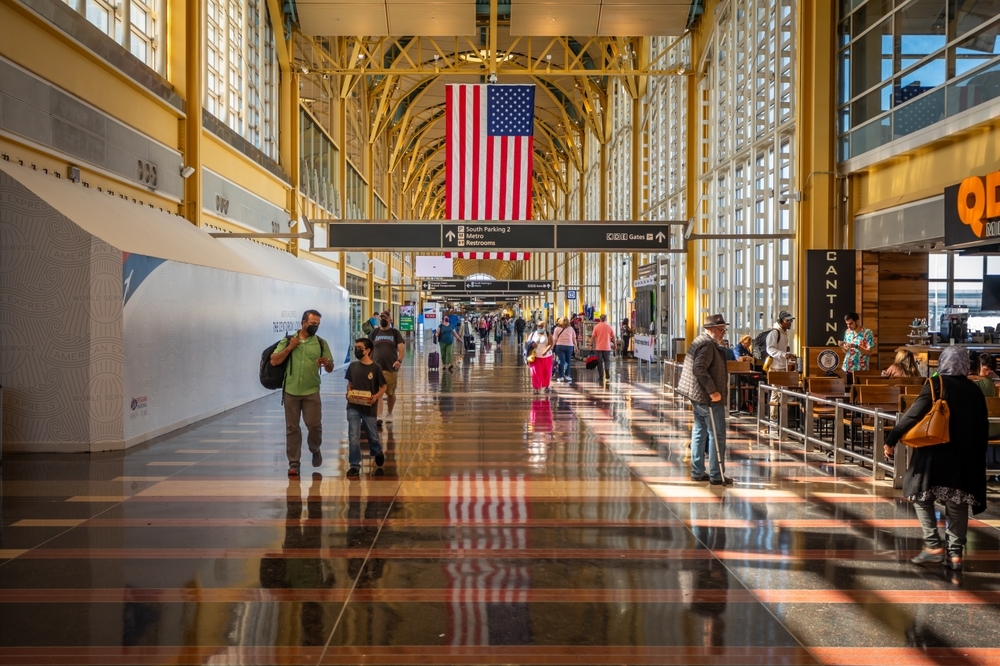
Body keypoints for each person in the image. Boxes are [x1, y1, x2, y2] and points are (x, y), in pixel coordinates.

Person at [884, 346, 988, 571]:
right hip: (964, 457)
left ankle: (933, 546)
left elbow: (913, 415)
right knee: (957, 502)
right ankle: (955, 555)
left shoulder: (936, 384)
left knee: (920, 495)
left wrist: (891, 439)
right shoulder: (975, 390)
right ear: (965, 364)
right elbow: (982, 427)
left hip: (935, 454)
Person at [270, 310, 334, 477]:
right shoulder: (288, 340)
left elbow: (330, 367)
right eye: (313, 323)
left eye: (318, 324)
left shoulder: (320, 343)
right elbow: (274, 360)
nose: (316, 327)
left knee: (314, 425)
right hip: (291, 391)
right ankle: (294, 463)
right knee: (292, 428)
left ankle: (314, 448)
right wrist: (290, 347)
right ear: (303, 322)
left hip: (311, 390)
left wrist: (327, 363)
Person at [677, 314, 733, 486]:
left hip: (697, 396)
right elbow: (699, 369)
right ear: (710, 329)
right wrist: (713, 391)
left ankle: (697, 471)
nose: (723, 332)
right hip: (707, 398)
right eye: (720, 329)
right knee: (717, 435)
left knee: (700, 432)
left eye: (724, 329)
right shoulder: (708, 345)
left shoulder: (701, 341)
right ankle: (717, 475)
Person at [344, 338, 386, 477]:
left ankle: (377, 450)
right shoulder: (353, 366)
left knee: (372, 435)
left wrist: (375, 396)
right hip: (353, 406)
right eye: (355, 347)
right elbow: (350, 383)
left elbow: (383, 387)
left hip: (369, 407)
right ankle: (354, 465)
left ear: (367, 350)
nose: (357, 350)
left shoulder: (375, 368)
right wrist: (349, 391)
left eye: (360, 348)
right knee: (353, 435)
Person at [369, 313, 405, 430]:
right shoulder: (374, 333)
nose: (383, 320)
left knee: (390, 392)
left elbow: (401, 349)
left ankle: (389, 412)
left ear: (390, 320)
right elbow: (369, 349)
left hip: (391, 367)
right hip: (376, 367)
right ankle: (379, 415)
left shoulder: (395, 333)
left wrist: (399, 360)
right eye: (381, 318)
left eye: (385, 318)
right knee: (378, 392)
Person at [765, 310, 796, 421]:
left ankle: (778, 416)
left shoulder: (783, 332)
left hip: (782, 367)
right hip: (776, 368)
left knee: (779, 393)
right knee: (777, 393)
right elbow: (770, 349)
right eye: (789, 321)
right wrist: (784, 354)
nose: (791, 323)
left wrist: (786, 351)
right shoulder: (775, 333)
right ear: (783, 321)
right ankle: (774, 417)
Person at [526, 320, 554, 394]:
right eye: (539, 326)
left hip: (547, 357)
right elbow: (527, 343)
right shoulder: (533, 334)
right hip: (535, 357)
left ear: (545, 327)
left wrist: (546, 351)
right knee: (535, 373)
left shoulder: (548, 334)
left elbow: (551, 344)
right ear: (537, 326)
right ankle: (536, 388)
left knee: (546, 372)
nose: (540, 327)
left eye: (542, 326)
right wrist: (531, 344)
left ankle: (546, 386)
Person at [590, 314, 617, 383]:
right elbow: (613, 337)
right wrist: (615, 345)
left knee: (599, 362)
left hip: (598, 347)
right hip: (607, 347)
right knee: (607, 360)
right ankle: (607, 369)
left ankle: (601, 376)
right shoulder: (609, 327)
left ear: (600, 319)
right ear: (606, 319)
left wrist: (591, 345)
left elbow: (593, 337)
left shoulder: (596, 327)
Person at [552, 316, 577, 383]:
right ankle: (567, 375)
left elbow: (555, 339)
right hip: (569, 346)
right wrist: (576, 346)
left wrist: (552, 346)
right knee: (568, 361)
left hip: (560, 346)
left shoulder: (557, 329)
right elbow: (574, 338)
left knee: (561, 361)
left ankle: (561, 377)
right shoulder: (571, 328)